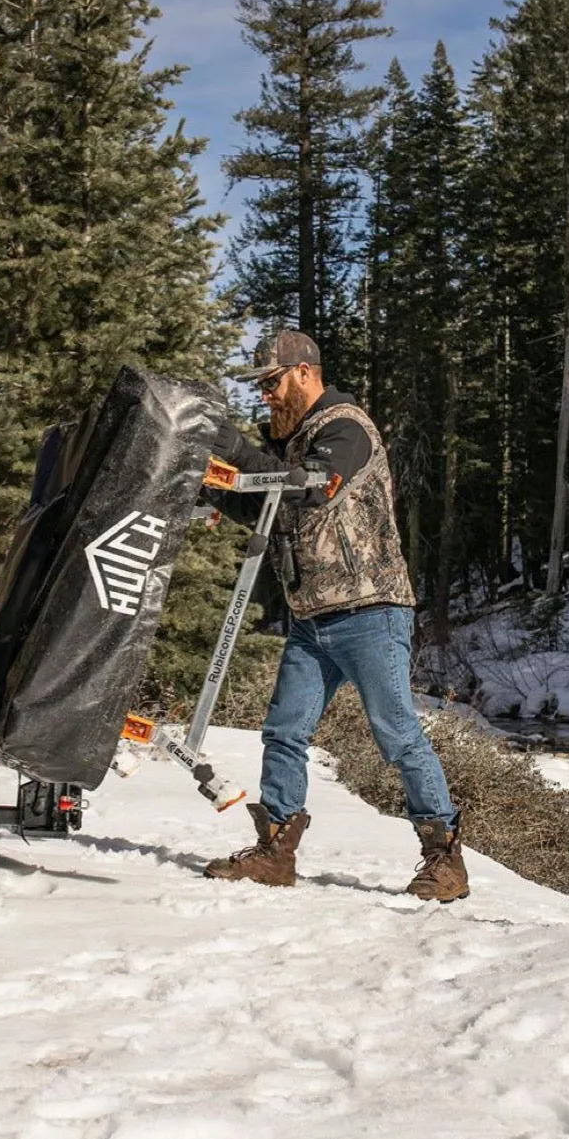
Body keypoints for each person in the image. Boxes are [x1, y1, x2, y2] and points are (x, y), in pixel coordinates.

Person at [202, 328, 468, 902]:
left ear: (304, 372)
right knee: (284, 730)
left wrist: (234, 446)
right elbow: (268, 503)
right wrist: (213, 489)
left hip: (371, 611)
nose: (266, 396)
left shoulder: (346, 428)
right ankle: (276, 853)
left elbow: (313, 489)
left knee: (397, 734)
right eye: (261, 387)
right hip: (311, 618)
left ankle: (445, 859)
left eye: (272, 383)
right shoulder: (294, 444)